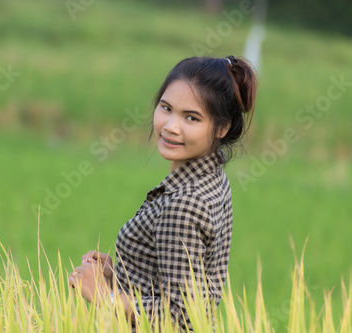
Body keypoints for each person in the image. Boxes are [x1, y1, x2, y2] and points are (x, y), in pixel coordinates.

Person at [68, 55, 258, 332]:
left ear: (222, 127)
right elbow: (185, 279)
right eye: (166, 108)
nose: (171, 126)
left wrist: (104, 297)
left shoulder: (182, 204)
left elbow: (183, 315)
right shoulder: (213, 178)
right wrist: (123, 272)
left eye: (191, 118)